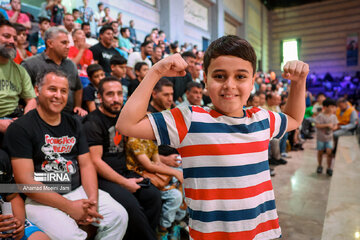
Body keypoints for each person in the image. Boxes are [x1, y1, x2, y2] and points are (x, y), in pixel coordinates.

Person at [116, 35, 309, 240]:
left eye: (241, 77)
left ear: (253, 81)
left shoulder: (261, 118)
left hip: (264, 233)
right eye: (219, 76)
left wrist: (299, 82)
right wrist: (156, 71)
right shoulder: (190, 119)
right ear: (205, 80)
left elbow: (294, 118)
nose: (229, 85)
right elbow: (127, 124)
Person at [3, 70, 128, 240]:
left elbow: (86, 164)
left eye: (63, 91)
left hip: (77, 191)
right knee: (71, 236)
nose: (58, 96)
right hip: (41, 200)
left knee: (118, 216)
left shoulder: (74, 123)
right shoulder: (21, 128)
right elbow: (26, 182)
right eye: (52, 89)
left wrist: (92, 200)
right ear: (37, 90)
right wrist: (69, 207)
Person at [83, 76, 161, 240]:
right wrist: (124, 182)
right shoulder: (93, 122)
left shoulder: (122, 117)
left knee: (153, 196)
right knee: (132, 207)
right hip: (102, 178)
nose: (116, 99)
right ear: (99, 97)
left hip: (124, 171)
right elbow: (96, 162)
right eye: (110, 94)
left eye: (119, 94)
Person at [125, 136, 185, 240]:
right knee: (175, 196)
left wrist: (178, 172)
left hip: (152, 174)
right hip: (139, 176)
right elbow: (148, 166)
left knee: (184, 182)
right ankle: (162, 230)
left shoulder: (149, 140)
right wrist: (175, 173)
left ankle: (175, 223)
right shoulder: (134, 140)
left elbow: (158, 163)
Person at [21, 26, 87, 117]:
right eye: (64, 43)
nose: (68, 47)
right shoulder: (30, 64)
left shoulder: (71, 65)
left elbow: (78, 88)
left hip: (68, 116)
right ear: (50, 43)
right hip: (40, 116)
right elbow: (22, 91)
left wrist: (78, 106)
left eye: (68, 43)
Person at [0, 20, 36, 136]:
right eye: (6, 36)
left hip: (15, 119)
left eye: (14, 39)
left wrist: (24, 120)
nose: (11, 41)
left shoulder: (20, 70)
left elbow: (31, 100)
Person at [315, 98, 338, 176]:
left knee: (329, 153)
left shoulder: (333, 116)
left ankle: (329, 168)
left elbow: (335, 126)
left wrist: (333, 128)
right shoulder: (320, 116)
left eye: (334, 107)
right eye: (332, 107)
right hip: (321, 138)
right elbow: (317, 125)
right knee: (320, 152)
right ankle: (320, 165)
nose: (333, 109)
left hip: (329, 138)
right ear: (326, 107)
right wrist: (327, 125)